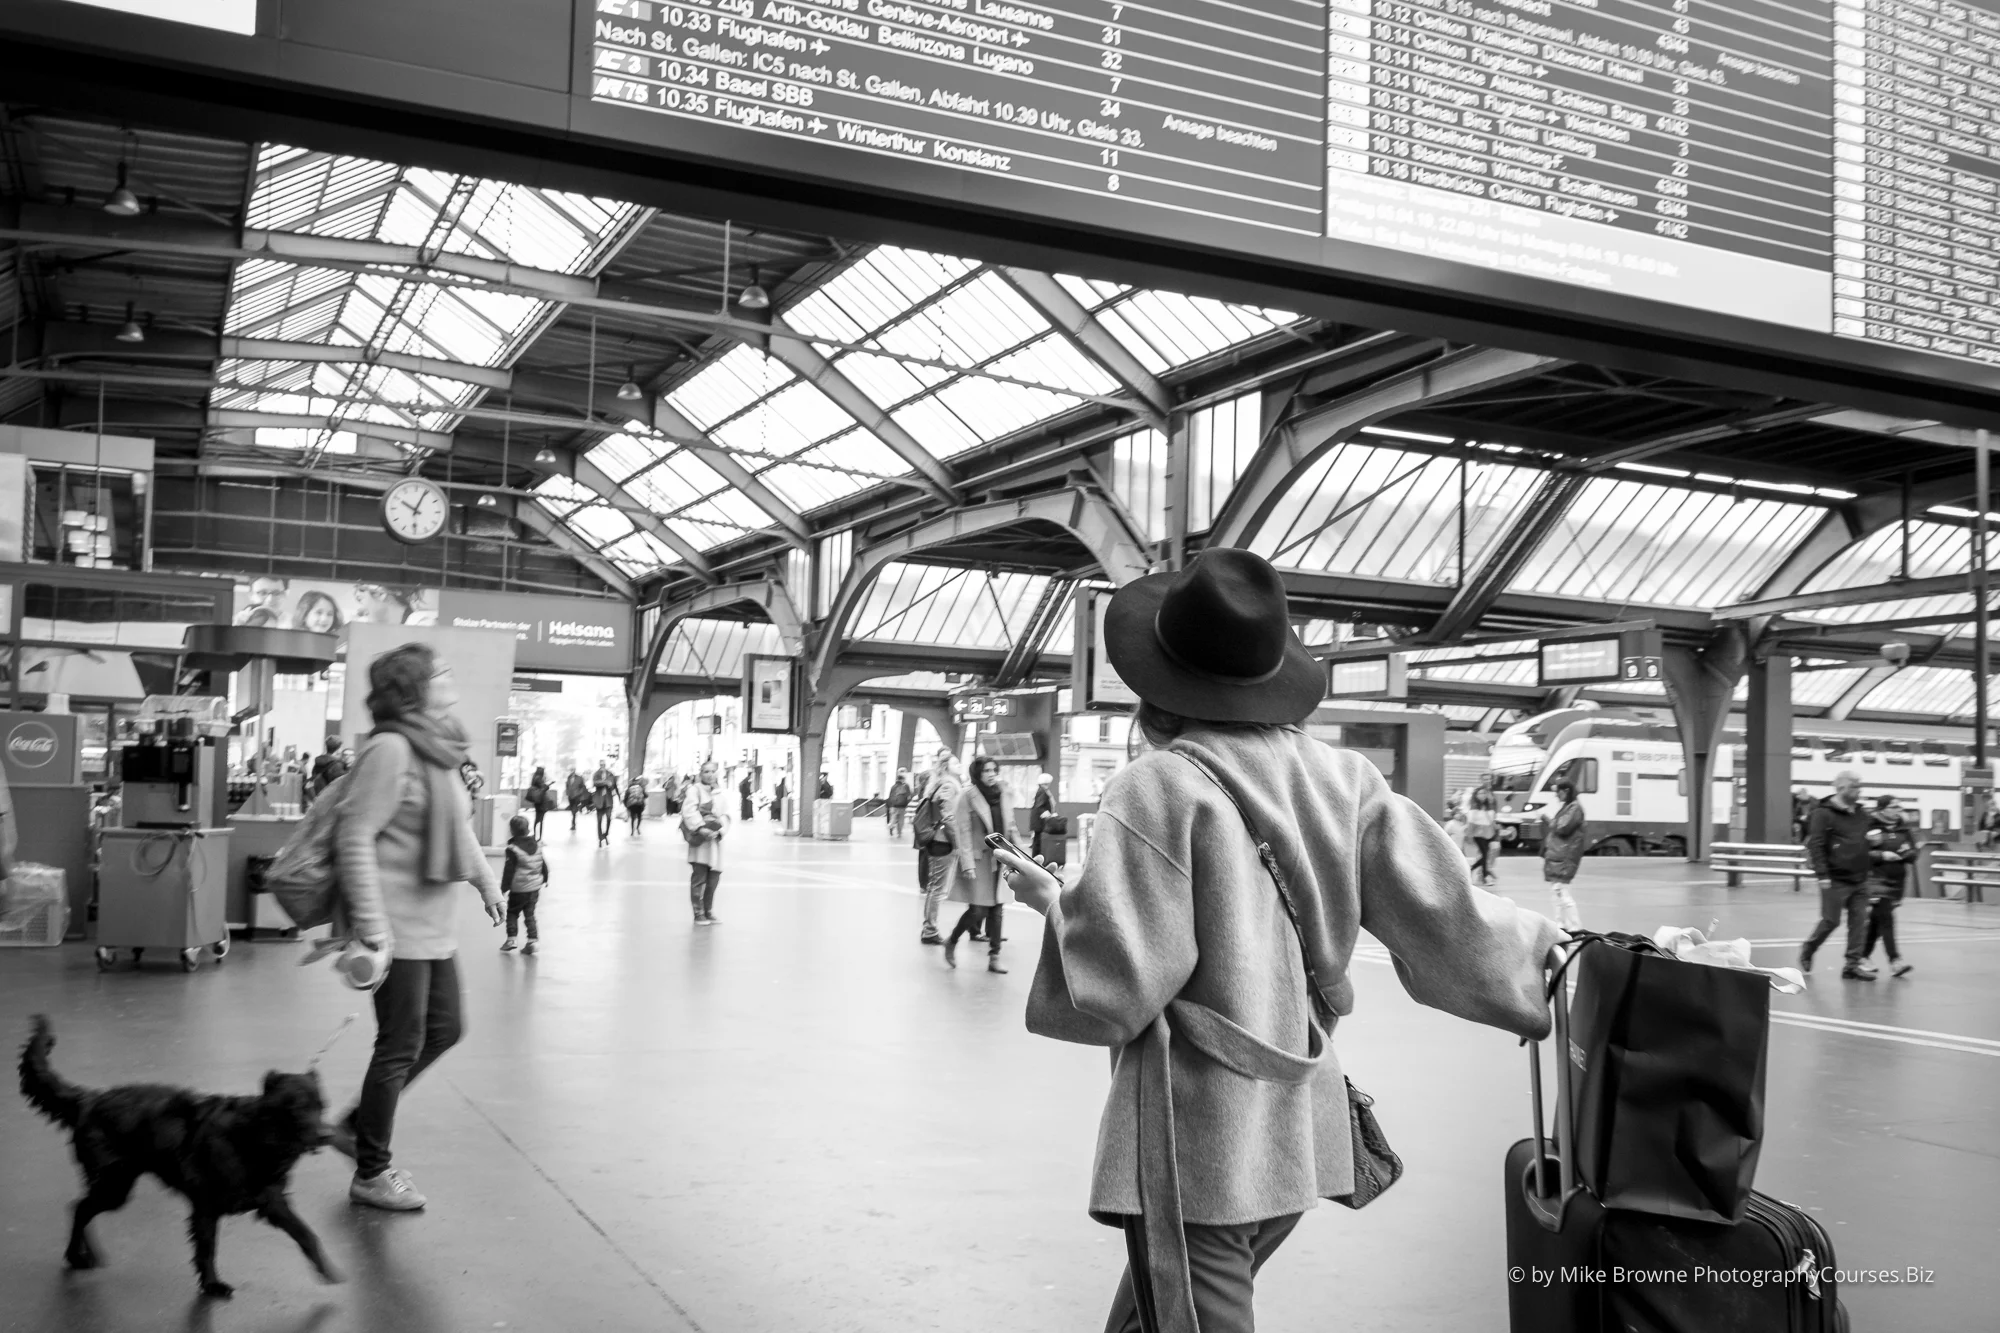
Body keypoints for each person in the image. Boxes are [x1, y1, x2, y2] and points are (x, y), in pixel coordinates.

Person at [987, 547, 1562, 1333]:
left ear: (1157, 687)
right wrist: (1561, 957)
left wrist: (1055, 906)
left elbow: (1114, 987)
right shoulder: (1343, 779)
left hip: (1201, 1150)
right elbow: (1449, 916)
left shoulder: (1158, 786)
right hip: (1297, 1126)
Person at [331, 644, 504, 1212]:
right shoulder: (390, 749)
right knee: (400, 1044)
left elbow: (456, 829)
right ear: (412, 690)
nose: (449, 676)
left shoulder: (439, 745)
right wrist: (374, 929)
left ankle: (357, 1123)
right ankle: (371, 1171)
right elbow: (354, 835)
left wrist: (485, 881)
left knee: (446, 1028)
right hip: (396, 926)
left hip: (433, 924)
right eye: (439, 672)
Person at [1802, 769, 1877, 980]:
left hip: (1860, 878)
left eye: (1859, 786)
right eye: (1854, 787)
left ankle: (1852, 965)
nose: (1858, 791)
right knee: (1831, 921)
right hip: (1834, 878)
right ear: (1841, 788)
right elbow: (1815, 844)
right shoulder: (1823, 814)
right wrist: (1822, 874)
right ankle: (1809, 947)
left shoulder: (1861, 814)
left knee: (1860, 921)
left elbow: (1864, 838)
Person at [943, 755, 1014, 973]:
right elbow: (962, 831)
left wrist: (1021, 855)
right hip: (978, 859)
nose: (992, 774)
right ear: (978, 774)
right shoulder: (968, 796)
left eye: (994, 770)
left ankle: (994, 956)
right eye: (986, 771)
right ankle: (952, 940)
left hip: (1000, 857)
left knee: (998, 908)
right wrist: (967, 864)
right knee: (978, 909)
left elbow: (1010, 826)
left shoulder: (1003, 793)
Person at [1863, 796, 1916, 978]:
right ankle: (1895, 961)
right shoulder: (1870, 827)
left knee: (1877, 922)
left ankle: (1861, 956)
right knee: (1886, 919)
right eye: (1893, 807)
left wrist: (1906, 854)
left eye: (1898, 807)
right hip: (1876, 880)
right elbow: (1862, 853)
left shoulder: (1904, 828)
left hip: (1897, 882)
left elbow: (1913, 852)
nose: (1897, 810)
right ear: (1882, 809)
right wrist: (1882, 855)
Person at [916, 751, 961, 946]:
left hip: (937, 840)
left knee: (935, 887)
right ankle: (930, 929)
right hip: (943, 841)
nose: (959, 765)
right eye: (955, 762)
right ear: (946, 766)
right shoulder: (949, 786)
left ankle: (929, 928)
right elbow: (948, 816)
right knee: (937, 888)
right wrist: (958, 843)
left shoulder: (937, 784)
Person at [681, 760, 729, 925]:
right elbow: (689, 811)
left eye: (712, 771)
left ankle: (709, 910)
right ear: (700, 774)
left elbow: (726, 815)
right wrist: (701, 828)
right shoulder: (694, 790)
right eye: (706, 772)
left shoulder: (720, 793)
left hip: (715, 841)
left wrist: (720, 830)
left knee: (713, 878)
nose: (709, 775)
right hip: (701, 842)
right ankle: (698, 912)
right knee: (699, 877)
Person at [499, 812, 549, 956]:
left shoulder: (513, 849)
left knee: (512, 912)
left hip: (519, 888)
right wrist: (545, 878)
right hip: (534, 887)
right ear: (528, 829)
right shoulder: (537, 844)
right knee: (530, 914)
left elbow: (509, 870)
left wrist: (503, 888)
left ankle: (511, 939)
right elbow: (543, 864)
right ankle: (533, 941)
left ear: (512, 830)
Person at [1541, 781, 1586, 931]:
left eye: (1558, 792)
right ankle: (1561, 924)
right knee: (1557, 893)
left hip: (1565, 856)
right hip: (1559, 855)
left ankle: (1574, 926)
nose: (1556, 796)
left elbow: (1563, 827)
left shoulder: (1574, 808)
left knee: (1563, 893)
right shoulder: (1569, 807)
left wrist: (1548, 820)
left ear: (1566, 791)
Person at [1466, 787, 1499, 886]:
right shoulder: (1474, 806)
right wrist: (1469, 834)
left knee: (1486, 854)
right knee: (1484, 854)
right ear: (1476, 795)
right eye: (1480, 793)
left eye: (1484, 793)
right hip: (1478, 832)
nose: (1482, 795)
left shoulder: (1490, 805)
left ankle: (1471, 868)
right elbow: (1471, 821)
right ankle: (1485, 877)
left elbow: (1492, 820)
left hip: (1489, 832)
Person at [306, 738, 348, 809]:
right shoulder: (336, 765)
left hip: (318, 800)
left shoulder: (317, 763)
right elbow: (341, 786)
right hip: (331, 804)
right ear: (338, 750)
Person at [591, 760, 617, 847]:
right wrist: (605, 782)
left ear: (605, 765)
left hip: (608, 801)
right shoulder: (596, 774)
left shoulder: (610, 774)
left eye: (603, 764)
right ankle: (600, 838)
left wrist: (610, 784)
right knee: (599, 820)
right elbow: (595, 783)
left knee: (609, 818)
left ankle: (605, 835)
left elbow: (613, 784)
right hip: (599, 801)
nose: (602, 766)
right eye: (601, 764)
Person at [525, 766, 554, 839]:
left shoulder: (534, 778)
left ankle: (535, 835)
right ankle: (539, 837)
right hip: (541, 801)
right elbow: (544, 788)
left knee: (537, 818)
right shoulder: (539, 779)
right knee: (541, 819)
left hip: (537, 801)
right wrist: (550, 784)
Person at [885, 768, 913, 838]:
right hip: (902, 806)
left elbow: (890, 796)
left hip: (893, 806)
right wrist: (907, 803)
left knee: (893, 818)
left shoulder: (893, 786)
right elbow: (909, 796)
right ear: (903, 779)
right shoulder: (906, 786)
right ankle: (899, 833)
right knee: (901, 820)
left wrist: (890, 805)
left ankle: (890, 826)